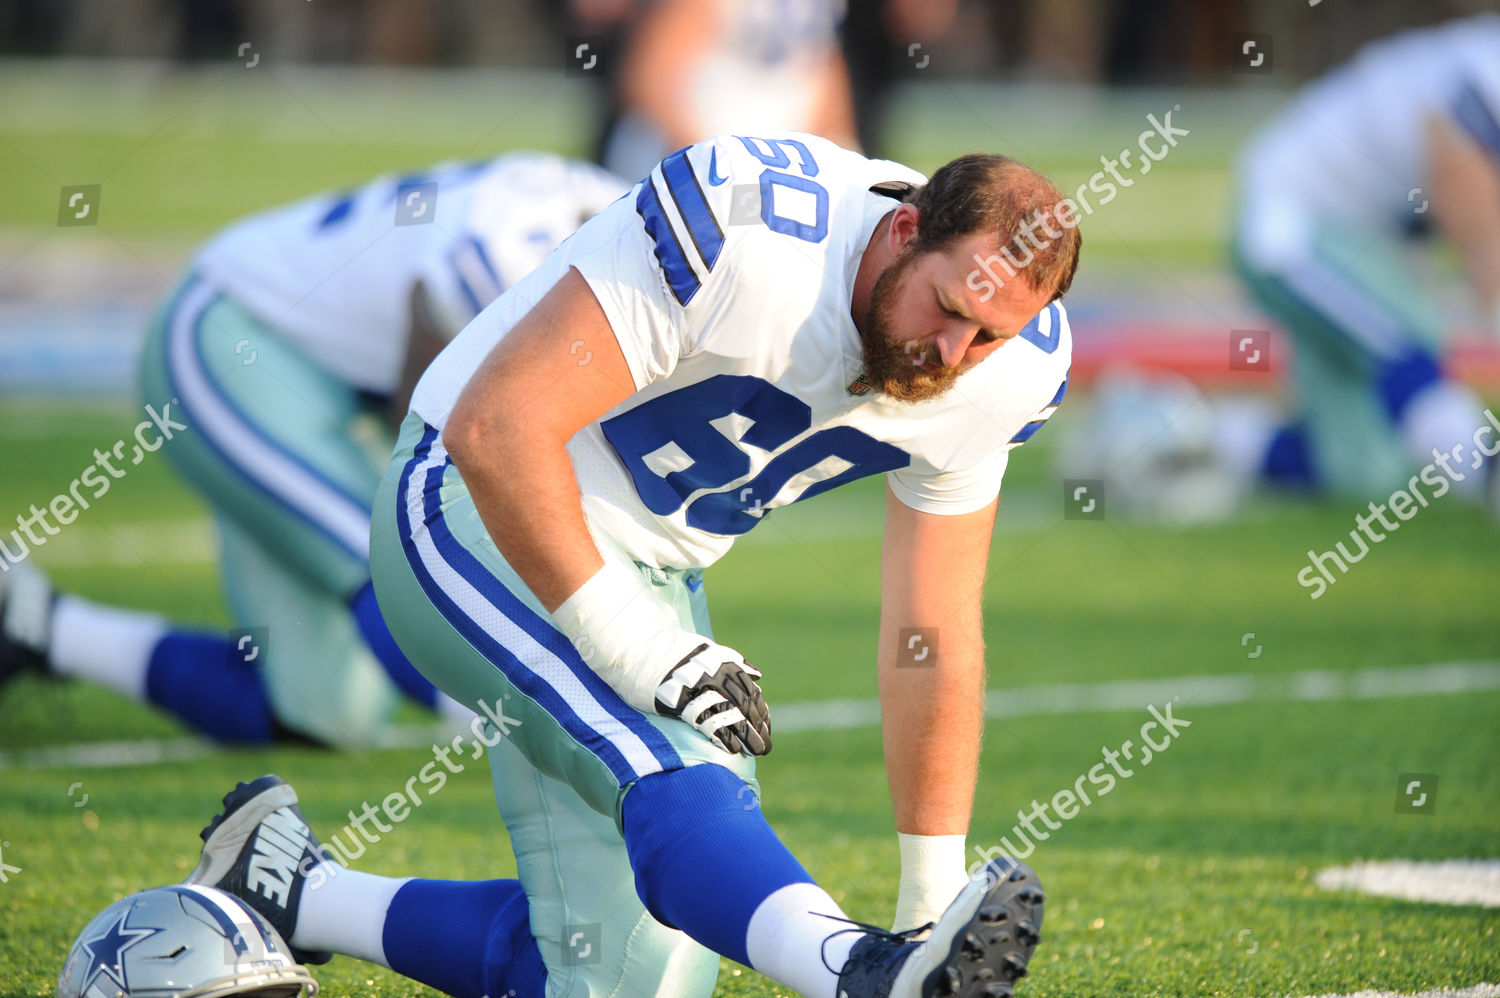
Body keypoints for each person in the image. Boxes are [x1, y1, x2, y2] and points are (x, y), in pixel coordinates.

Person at [186, 132, 1077, 998]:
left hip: (653, 568)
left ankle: (292, 890)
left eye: (990, 336)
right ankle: (856, 972)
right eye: (950, 309)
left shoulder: (1013, 373)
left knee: (621, 978)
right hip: (476, 501)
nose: (954, 355)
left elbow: (933, 627)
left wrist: (931, 907)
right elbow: (497, 428)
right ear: (903, 230)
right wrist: (632, 646)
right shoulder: (752, 225)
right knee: (676, 760)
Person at [0, 152, 628, 747]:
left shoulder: (615, 220)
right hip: (238, 337)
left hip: (339, 390)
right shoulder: (510, 249)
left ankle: (38, 623)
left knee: (327, 711)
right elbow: (445, 424)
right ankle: (554, 732)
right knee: (401, 569)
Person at [1229, 15, 1500, 506]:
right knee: (1406, 340)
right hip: (1289, 225)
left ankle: (1194, 435)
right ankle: (1485, 476)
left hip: (1361, 244)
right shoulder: (1488, 63)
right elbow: (1459, 178)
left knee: (1364, 473)